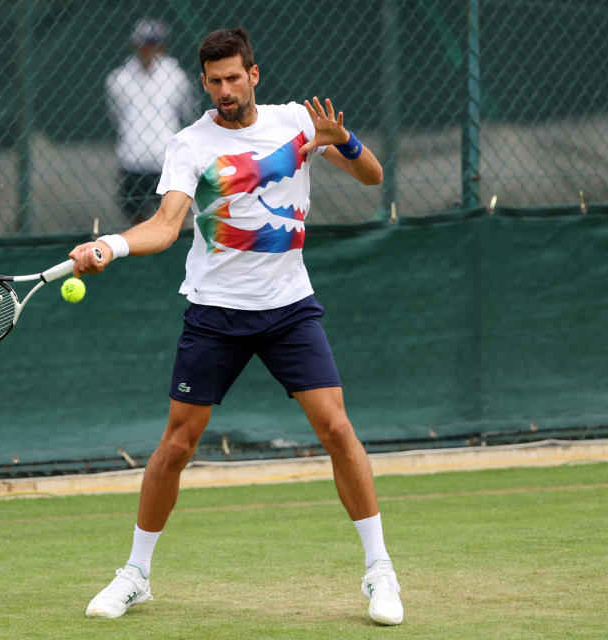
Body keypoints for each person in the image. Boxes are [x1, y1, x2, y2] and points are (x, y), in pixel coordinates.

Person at [70, 27, 403, 626]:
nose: (225, 89)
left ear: (255, 74)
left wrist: (344, 140)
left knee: (335, 427)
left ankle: (380, 570)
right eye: (214, 81)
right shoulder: (188, 145)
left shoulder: (297, 123)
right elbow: (167, 226)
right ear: (204, 82)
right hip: (216, 312)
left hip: (289, 307)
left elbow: (374, 177)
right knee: (177, 445)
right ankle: (136, 574)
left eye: (234, 77)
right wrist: (111, 244)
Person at [105, 18, 196, 225]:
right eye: (144, 44)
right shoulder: (118, 79)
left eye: (154, 44)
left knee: (171, 218)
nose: (149, 49)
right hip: (132, 158)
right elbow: (116, 115)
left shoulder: (176, 76)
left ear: (162, 46)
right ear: (135, 45)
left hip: (165, 158)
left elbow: (187, 113)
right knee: (135, 217)